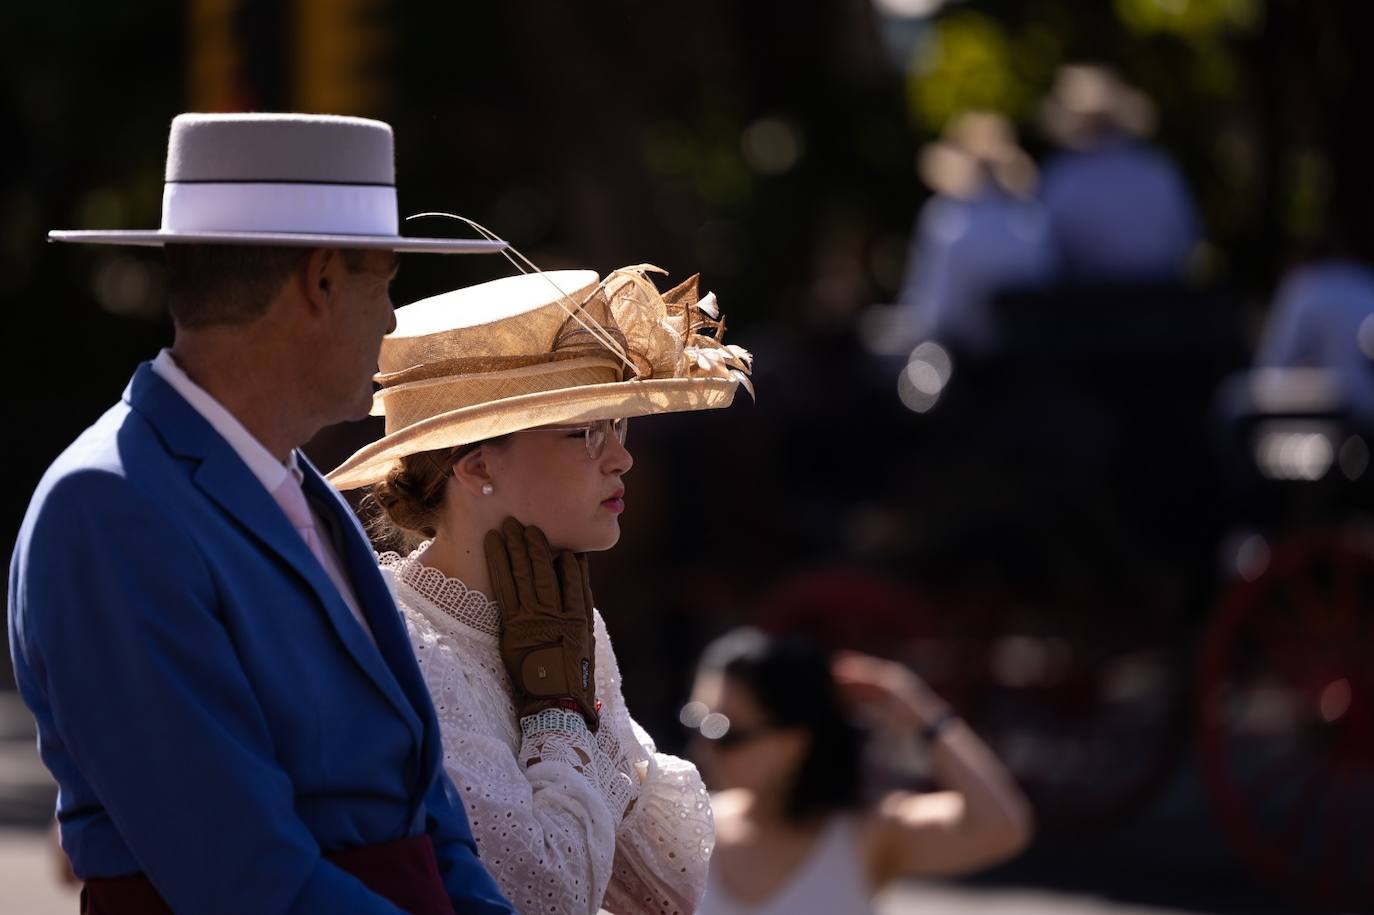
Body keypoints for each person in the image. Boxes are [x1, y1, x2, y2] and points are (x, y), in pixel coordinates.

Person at [8, 113, 514, 914]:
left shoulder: (290, 479)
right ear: (320, 280)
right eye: (383, 281)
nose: (390, 319)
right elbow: (246, 881)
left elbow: (424, 813)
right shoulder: (108, 507)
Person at [326, 265, 753, 913]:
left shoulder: (563, 618)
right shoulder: (403, 648)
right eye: (583, 431)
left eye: (618, 426)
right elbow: (544, 891)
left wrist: (573, 714)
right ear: (476, 465)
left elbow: (672, 888)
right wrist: (558, 712)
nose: (621, 457)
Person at [683, 628, 1032, 915]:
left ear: (794, 743)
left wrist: (921, 713)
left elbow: (1001, 826)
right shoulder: (681, 826)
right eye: (696, 721)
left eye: (722, 730)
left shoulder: (863, 834)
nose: (703, 747)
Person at [897, 111, 1057, 356]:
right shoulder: (1033, 219)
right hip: (1029, 363)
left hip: (963, 365)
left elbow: (936, 314)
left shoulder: (945, 220)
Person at [1037, 64, 1201, 283]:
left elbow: (1044, 250)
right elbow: (1185, 240)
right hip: (1157, 304)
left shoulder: (1064, 176)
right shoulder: (1158, 169)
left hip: (1084, 306)